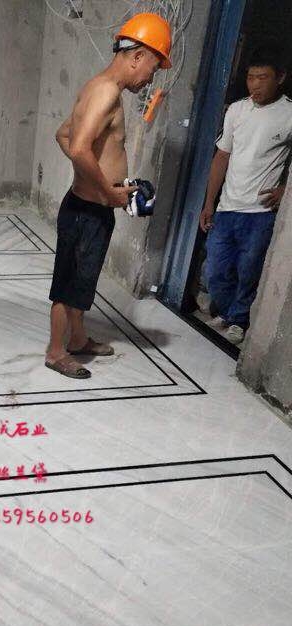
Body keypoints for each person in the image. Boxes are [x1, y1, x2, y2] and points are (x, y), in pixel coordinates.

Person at [45, 13, 172, 379]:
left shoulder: (99, 87)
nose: (149, 78)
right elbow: (79, 148)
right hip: (86, 210)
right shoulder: (106, 91)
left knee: (82, 282)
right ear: (137, 56)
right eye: (152, 68)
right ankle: (56, 352)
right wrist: (105, 190)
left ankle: (77, 339)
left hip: (92, 208)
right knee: (67, 284)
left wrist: (99, 183)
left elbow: (64, 135)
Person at [200, 45, 292, 345]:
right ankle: (228, 312)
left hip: (260, 212)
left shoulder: (288, 113)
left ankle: (238, 319)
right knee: (215, 269)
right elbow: (221, 157)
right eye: (251, 78)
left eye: (262, 78)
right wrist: (209, 202)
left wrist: (285, 190)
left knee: (248, 270)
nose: (255, 85)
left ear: (280, 78)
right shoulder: (237, 110)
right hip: (227, 207)